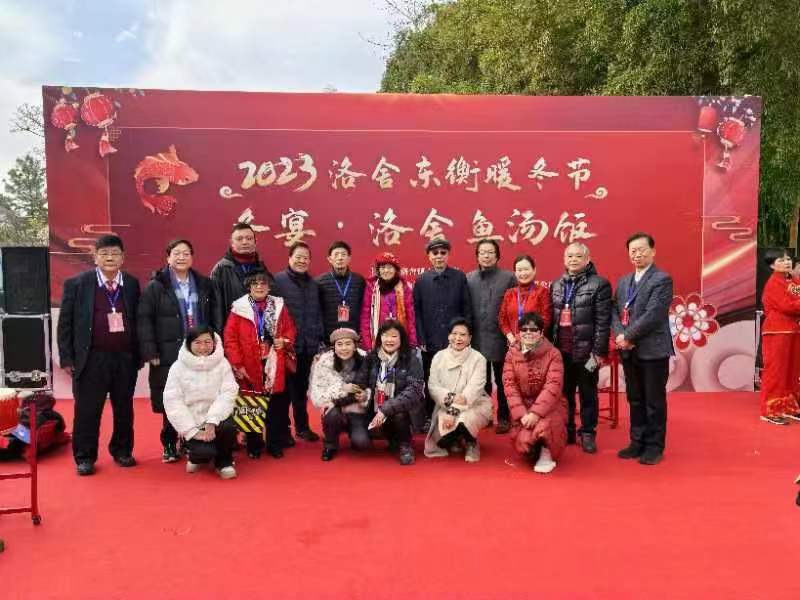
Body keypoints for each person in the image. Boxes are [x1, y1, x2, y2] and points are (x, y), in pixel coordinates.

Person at [57, 234, 141, 476]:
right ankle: (84, 457)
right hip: (91, 358)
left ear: (123, 257)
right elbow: (65, 324)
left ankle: (122, 450)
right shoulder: (77, 283)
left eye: (115, 253)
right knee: (87, 410)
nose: (109, 258)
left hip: (124, 357)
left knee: (124, 409)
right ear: (95, 257)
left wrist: (139, 354)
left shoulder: (132, 284)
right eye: (104, 253)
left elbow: (139, 320)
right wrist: (67, 358)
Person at [137, 239, 217, 463]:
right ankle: (170, 442)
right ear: (168, 257)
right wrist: (150, 350)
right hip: (168, 352)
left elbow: (213, 315)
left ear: (192, 257)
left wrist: (214, 344)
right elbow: (144, 320)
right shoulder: (156, 286)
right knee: (171, 399)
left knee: (199, 396)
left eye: (186, 253)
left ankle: (195, 441)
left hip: (199, 351)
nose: (181, 257)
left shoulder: (203, 284)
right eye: (176, 253)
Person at [611, 232, 674, 465]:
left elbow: (654, 314)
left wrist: (628, 336)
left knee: (653, 401)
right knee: (635, 398)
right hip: (629, 350)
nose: (637, 254)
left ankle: (654, 446)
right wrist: (620, 335)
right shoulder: (624, 281)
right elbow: (615, 311)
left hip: (653, 350)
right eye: (633, 251)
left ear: (653, 251)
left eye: (641, 249)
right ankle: (636, 442)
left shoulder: (662, 279)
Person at [223, 272, 296, 458]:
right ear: (249, 287)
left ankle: (274, 444)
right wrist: (237, 364)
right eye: (255, 283)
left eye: (263, 283)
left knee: (276, 406)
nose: (259, 286)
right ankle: (254, 446)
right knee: (251, 403)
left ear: (269, 287)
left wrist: (284, 341)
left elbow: (290, 330)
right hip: (248, 363)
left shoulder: (279, 306)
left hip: (273, 362)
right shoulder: (238, 308)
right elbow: (230, 339)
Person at [550, 242, 612, 452]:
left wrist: (598, 353)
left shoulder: (600, 284)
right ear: (564, 259)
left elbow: (603, 323)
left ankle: (587, 433)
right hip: (562, 351)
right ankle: (567, 430)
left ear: (587, 259)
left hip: (588, 353)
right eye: (570, 256)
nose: (573, 260)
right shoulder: (556, 285)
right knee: (564, 394)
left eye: (578, 256)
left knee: (588, 394)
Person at [163, 326, 239, 479]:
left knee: (228, 427)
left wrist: (212, 420)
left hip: (217, 418)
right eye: (197, 342)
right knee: (205, 453)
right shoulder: (177, 367)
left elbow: (228, 393)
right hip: (192, 421)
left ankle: (224, 462)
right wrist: (192, 431)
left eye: (207, 342)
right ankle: (195, 456)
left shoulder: (222, 363)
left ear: (214, 343)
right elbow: (173, 402)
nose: (203, 347)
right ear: (189, 344)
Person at [413, 238, 472, 430]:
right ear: (429, 256)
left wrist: (465, 336)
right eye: (435, 253)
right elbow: (417, 312)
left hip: (455, 340)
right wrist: (421, 337)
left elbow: (466, 309)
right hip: (429, 340)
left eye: (443, 253)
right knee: (432, 379)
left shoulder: (459, 277)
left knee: (456, 379)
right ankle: (431, 415)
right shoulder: (421, 280)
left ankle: (456, 415)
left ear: (448, 255)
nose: (439, 256)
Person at [503, 312, 567, 474]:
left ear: (541, 332)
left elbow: (553, 387)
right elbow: (510, 386)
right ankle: (535, 447)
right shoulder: (511, 354)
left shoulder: (554, 354)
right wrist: (522, 414)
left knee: (544, 428)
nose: (528, 333)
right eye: (524, 329)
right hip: (523, 408)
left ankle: (546, 453)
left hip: (550, 407)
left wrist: (536, 413)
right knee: (524, 444)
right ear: (519, 332)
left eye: (533, 329)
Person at [273, 242, 322, 442]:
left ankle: (302, 427)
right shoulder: (277, 281)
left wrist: (317, 338)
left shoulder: (314, 284)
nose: (302, 261)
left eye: (306, 258)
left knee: (301, 390)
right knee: (283, 391)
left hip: (307, 346)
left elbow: (317, 313)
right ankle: (283, 430)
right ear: (290, 258)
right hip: (285, 346)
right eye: (298, 257)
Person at [424, 318, 493, 462]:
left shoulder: (479, 359)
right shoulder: (439, 356)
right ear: (449, 335)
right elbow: (433, 386)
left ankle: (471, 442)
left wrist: (453, 412)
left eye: (463, 335)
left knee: (464, 420)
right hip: (446, 404)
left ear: (470, 338)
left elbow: (473, 390)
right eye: (454, 333)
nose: (458, 338)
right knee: (440, 440)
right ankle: (456, 438)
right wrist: (451, 397)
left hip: (474, 404)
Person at [466, 239, 515, 434]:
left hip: (501, 337)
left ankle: (504, 417)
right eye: (482, 252)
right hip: (477, 337)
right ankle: (485, 415)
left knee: (504, 381)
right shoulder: (469, 278)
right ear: (477, 256)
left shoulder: (508, 278)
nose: (486, 256)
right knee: (481, 381)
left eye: (490, 252)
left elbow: (514, 307)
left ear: (497, 255)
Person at [364, 320, 424, 465]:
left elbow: (413, 391)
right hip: (375, 409)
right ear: (380, 337)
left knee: (399, 413)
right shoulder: (371, 358)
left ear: (401, 338)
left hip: (402, 411)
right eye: (385, 335)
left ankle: (405, 445)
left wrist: (385, 409)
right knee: (360, 441)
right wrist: (360, 393)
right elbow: (361, 381)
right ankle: (388, 437)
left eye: (394, 336)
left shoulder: (411, 359)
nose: (389, 340)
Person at [309, 327, 370, 461]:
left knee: (362, 444)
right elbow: (317, 393)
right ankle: (330, 444)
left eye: (348, 344)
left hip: (356, 408)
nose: (344, 348)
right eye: (340, 344)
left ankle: (352, 429)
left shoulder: (365, 359)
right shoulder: (324, 362)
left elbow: (372, 385)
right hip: (334, 407)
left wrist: (366, 395)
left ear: (355, 346)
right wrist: (342, 388)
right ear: (334, 347)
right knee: (332, 415)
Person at [759, 248, 800, 425]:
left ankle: (789, 407)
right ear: (772, 265)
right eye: (781, 260)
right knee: (776, 371)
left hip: (794, 330)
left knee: (792, 371)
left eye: (788, 259)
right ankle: (770, 410)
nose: (787, 262)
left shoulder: (793, 280)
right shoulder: (774, 282)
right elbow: (787, 306)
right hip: (777, 331)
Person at [211, 222, 275, 330]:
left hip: (258, 332)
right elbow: (216, 308)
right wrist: (220, 334)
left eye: (249, 238)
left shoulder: (261, 267)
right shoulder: (221, 269)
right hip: (232, 332)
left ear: (255, 241)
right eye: (239, 239)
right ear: (232, 242)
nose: (245, 242)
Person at [359, 251, 417, 350]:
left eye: (390, 267)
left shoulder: (404, 287)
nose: (386, 270)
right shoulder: (371, 288)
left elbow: (411, 317)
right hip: (378, 339)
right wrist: (368, 345)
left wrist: (412, 342)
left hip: (400, 338)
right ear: (378, 270)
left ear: (395, 270)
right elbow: (365, 317)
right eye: (382, 267)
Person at [316, 241, 366, 340]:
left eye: (343, 254)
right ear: (329, 259)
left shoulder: (359, 281)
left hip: (354, 337)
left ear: (349, 258)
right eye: (336, 254)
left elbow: (365, 309)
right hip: (328, 338)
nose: (340, 258)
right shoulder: (319, 282)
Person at [499, 255, 552, 347]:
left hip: (536, 344)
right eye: (519, 270)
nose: (523, 273)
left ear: (534, 270)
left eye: (526, 269)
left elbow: (546, 319)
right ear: (515, 273)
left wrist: (531, 339)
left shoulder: (542, 292)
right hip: (513, 345)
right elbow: (502, 319)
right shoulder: (509, 293)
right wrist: (511, 338)